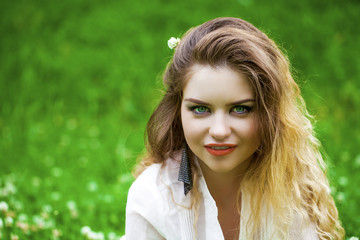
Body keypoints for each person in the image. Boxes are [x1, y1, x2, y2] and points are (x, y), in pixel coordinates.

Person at [125, 17, 344, 240]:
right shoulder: (152, 197)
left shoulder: (294, 191)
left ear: (270, 114)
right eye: (200, 109)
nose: (219, 131)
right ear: (178, 111)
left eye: (240, 109)